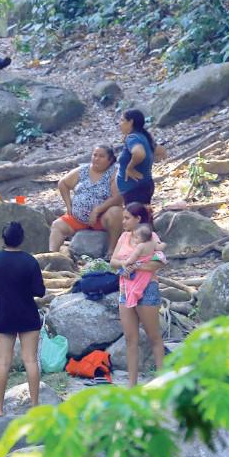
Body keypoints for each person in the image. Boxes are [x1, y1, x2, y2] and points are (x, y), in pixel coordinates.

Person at [0, 222, 46, 417]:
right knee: (30, 360)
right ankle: (35, 406)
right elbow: (40, 291)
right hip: (28, 313)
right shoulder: (30, 261)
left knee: (3, 362)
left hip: (4, 314)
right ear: (22, 239)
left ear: (4, 239)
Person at [109, 202, 166, 386]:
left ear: (138, 219)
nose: (123, 221)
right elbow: (113, 261)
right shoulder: (124, 237)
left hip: (147, 288)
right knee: (130, 338)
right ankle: (132, 385)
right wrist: (126, 264)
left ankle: (162, 381)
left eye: (127, 218)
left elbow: (158, 263)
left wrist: (137, 265)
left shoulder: (151, 237)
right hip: (126, 289)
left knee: (153, 336)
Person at [48, 144, 124, 254]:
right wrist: (69, 205)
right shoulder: (83, 170)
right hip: (78, 219)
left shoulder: (115, 173)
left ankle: (111, 251)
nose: (96, 158)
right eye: (94, 155)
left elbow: (118, 198)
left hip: (102, 219)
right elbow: (62, 183)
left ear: (110, 160)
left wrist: (98, 210)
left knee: (116, 212)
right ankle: (52, 256)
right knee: (57, 225)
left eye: (101, 156)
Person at [116, 109, 166, 206]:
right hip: (145, 185)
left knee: (136, 219)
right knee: (144, 217)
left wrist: (130, 168)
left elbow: (139, 153)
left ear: (131, 122)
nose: (119, 124)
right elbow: (162, 152)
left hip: (134, 190)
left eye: (122, 120)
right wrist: (144, 165)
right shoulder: (143, 136)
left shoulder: (132, 138)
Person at [118, 223, 166, 308]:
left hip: (139, 265)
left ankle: (133, 298)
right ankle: (136, 295)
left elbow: (133, 258)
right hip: (147, 268)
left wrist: (126, 262)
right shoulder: (153, 243)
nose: (135, 239)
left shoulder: (140, 246)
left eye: (136, 237)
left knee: (134, 285)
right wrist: (164, 244)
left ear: (142, 238)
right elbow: (160, 248)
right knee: (142, 283)